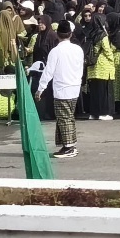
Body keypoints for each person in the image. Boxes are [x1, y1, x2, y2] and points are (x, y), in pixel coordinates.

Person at [37, 21, 83, 158]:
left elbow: (48, 72)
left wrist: (40, 89)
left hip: (62, 88)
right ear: (71, 34)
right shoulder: (78, 49)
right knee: (68, 117)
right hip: (74, 87)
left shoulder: (56, 51)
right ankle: (67, 144)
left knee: (64, 118)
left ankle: (69, 147)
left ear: (57, 34)